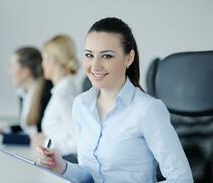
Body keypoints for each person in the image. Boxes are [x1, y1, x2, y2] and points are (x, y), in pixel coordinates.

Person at [36, 18, 194, 182]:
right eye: (89, 55)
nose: (95, 66)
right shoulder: (81, 105)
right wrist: (61, 167)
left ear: (129, 58)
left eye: (106, 56)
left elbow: (182, 178)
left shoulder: (147, 109)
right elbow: (90, 175)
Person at [0, 47, 52, 145]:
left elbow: (39, 136)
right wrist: (7, 129)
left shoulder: (48, 92)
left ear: (26, 71)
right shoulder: (23, 93)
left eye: (12, 66)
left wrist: (1, 138)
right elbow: (28, 128)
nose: (9, 71)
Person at [31, 35, 80, 160]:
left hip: (64, 163)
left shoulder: (63, 94)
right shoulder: (62, 90)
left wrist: (45, 143)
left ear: (52, 61)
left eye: (44, 59)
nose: (42, 64)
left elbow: (79, 142)